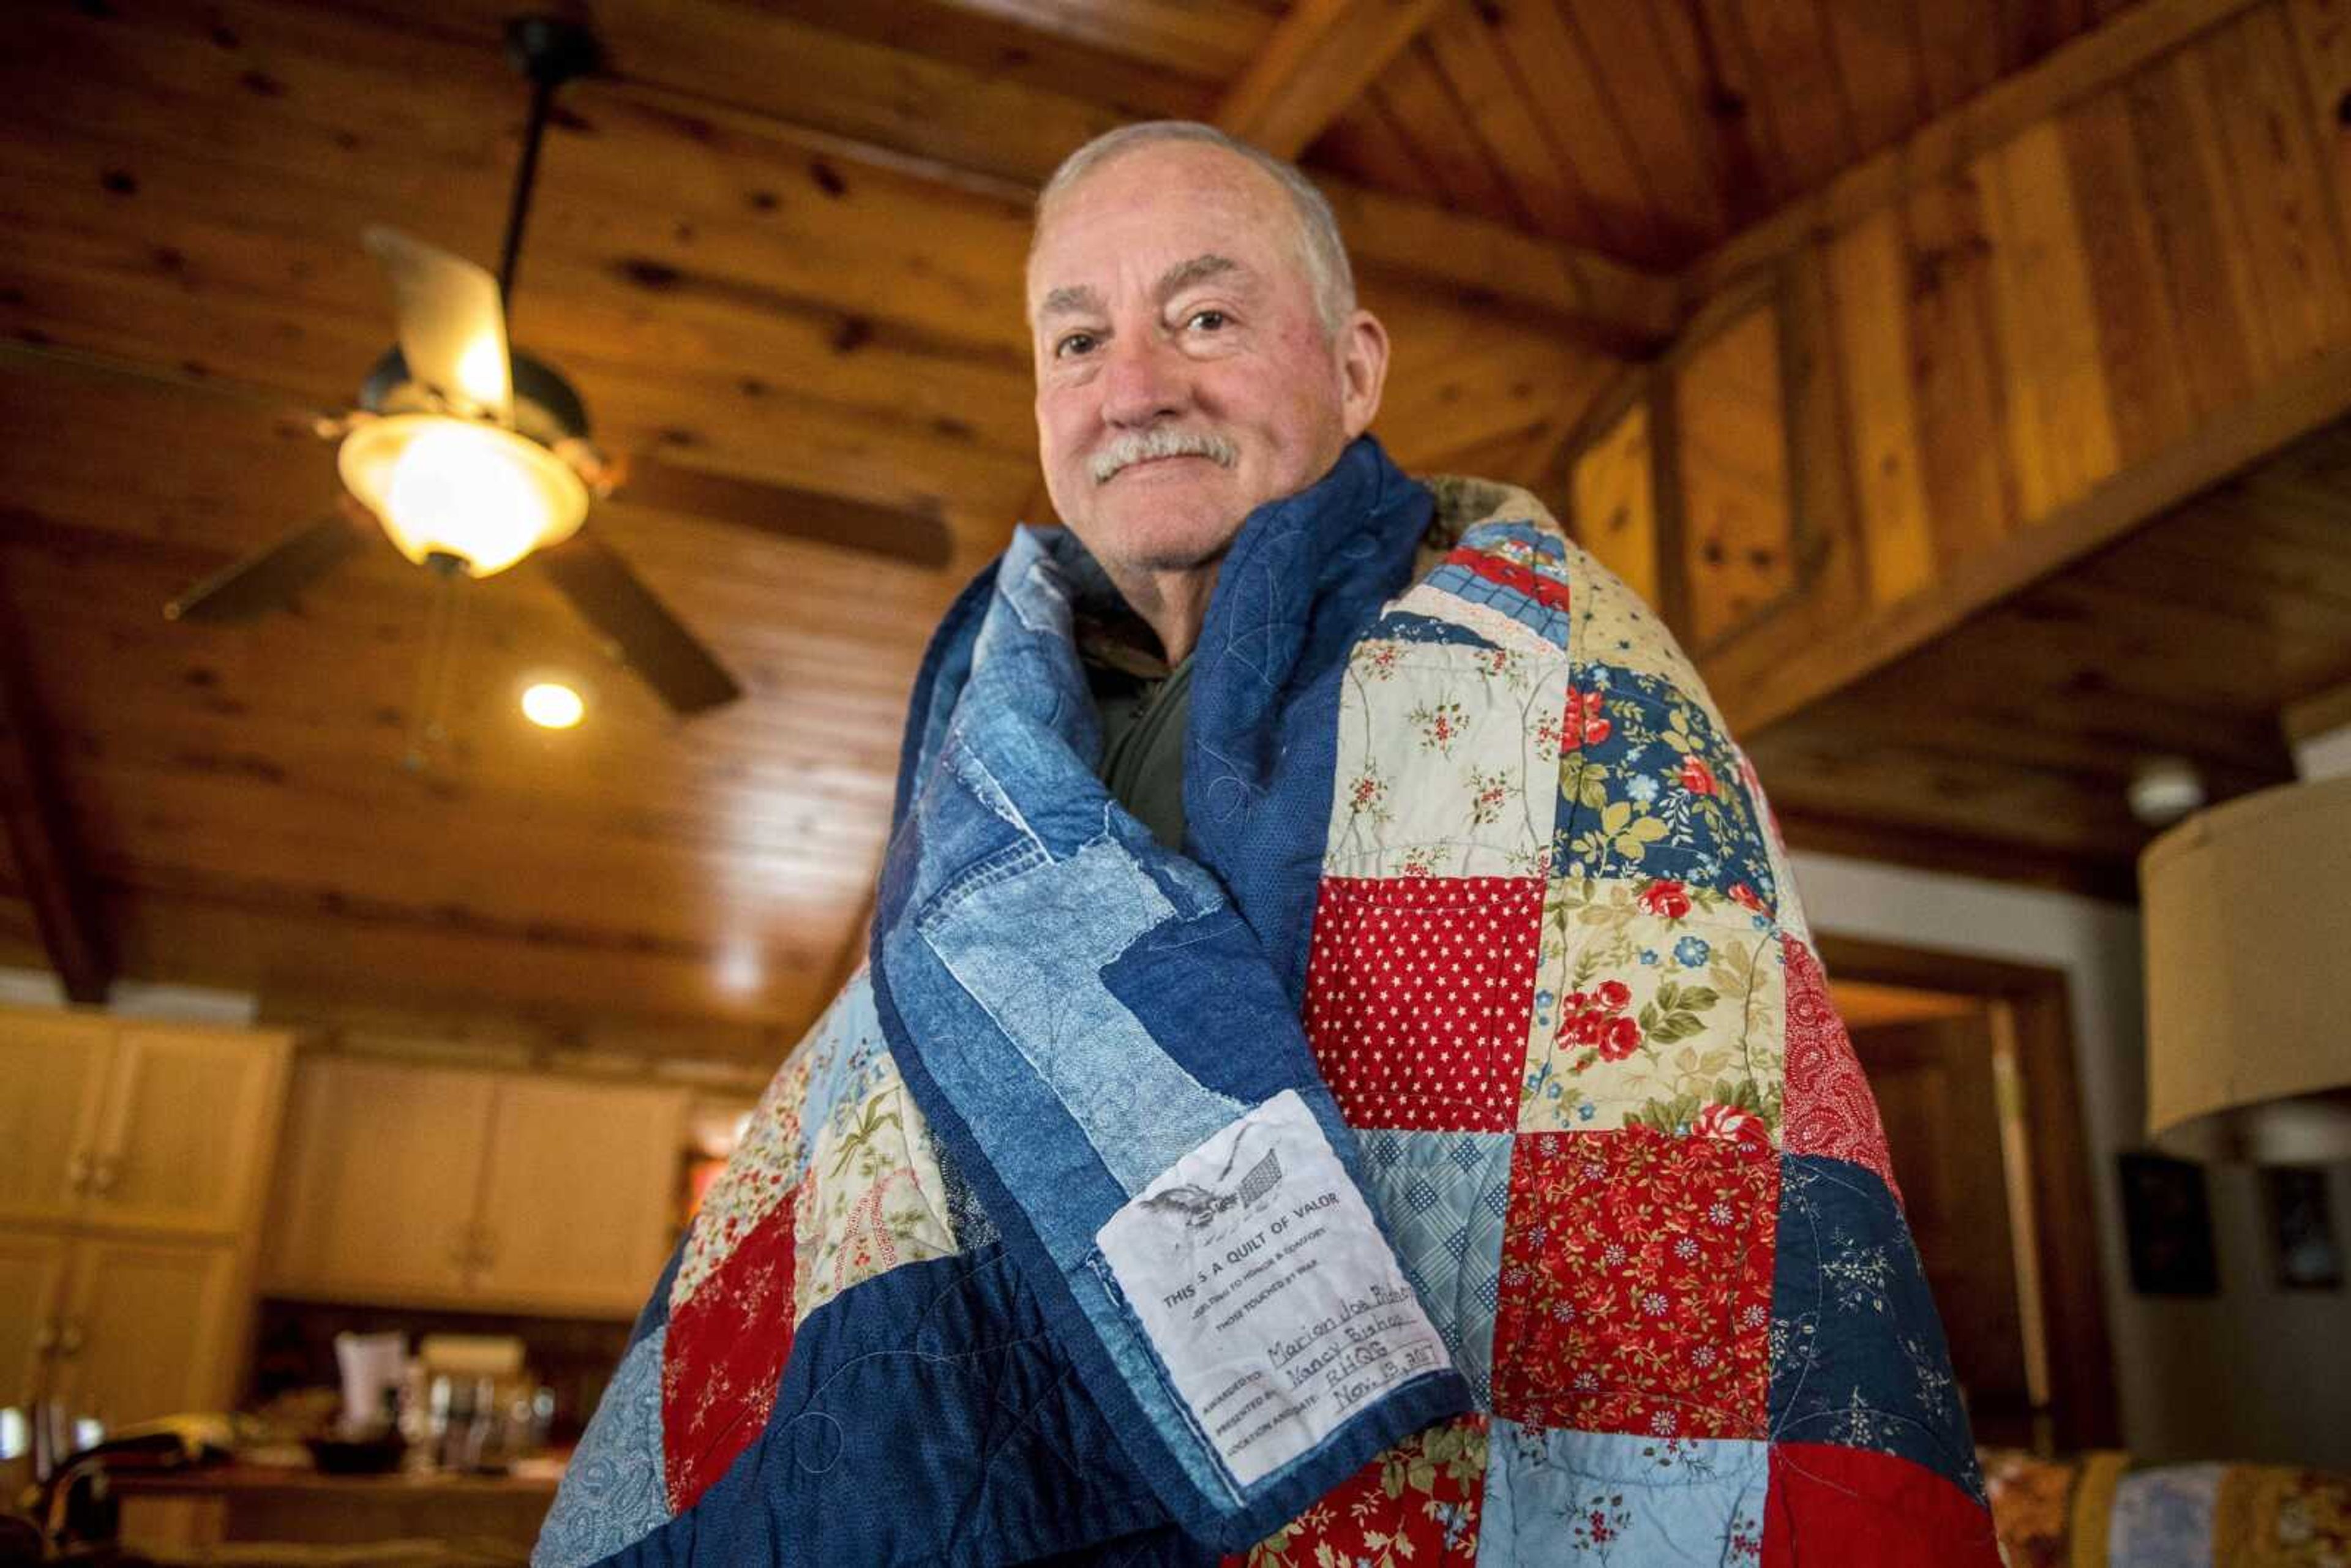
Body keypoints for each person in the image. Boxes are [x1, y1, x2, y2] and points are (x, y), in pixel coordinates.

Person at [536, 123, 2001, 1567]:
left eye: (1206, 315)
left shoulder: (1544, 669)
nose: (1134, 389)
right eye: (1077, 342)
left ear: (1356, 369)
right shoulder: (992, 745)